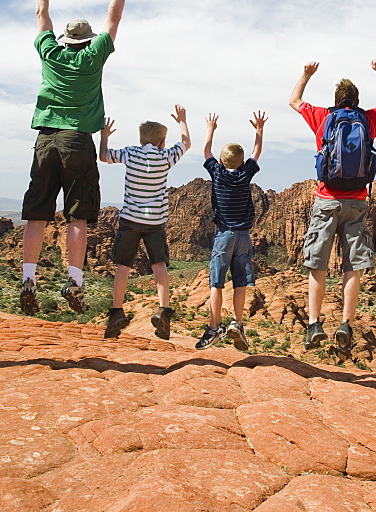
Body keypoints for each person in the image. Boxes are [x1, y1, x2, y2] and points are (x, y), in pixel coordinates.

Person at [19, 0, 128, 317]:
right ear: (88, 40)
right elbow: (113, 19)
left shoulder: (49, 52)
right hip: (78, 140)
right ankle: (75, 281)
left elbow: (41, 16)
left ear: (65, 39)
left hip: (45, 138)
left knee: (37, 215)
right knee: (77, 218)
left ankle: (28, 279)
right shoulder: (94, 55)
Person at [288, 60, 376, 351]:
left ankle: (313, 324)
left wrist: (306, 73)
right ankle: (346, 325)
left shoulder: (323, 116)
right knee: (352, 268)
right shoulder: (368, 119)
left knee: (318, 265)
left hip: (326, 200)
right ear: (357, 101)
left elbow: (293, 100)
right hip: (357, 202)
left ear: (335, 101)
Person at [99, 108, 191, 339]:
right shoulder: (165, 157)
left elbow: (103, 156)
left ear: (141, 139)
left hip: (130, 219)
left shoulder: (130, 153)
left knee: (123, 266)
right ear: (162, 142)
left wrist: (105, 135)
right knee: (158, 265)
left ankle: (117, 311)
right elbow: (186, 143)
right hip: (155, 222)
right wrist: (182, 121)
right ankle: (163, 310)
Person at [194, 111, 267, 350]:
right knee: (240, 284)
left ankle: (214, 328)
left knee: (216, 283)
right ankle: (237, 322)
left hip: (224, 235)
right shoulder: (246, 174)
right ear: (242, 162)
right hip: (244, 236)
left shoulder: (217, 173)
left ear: (222, 162)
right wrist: (259, 129)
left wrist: (210, 128)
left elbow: (206, 151)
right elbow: (257, 153)